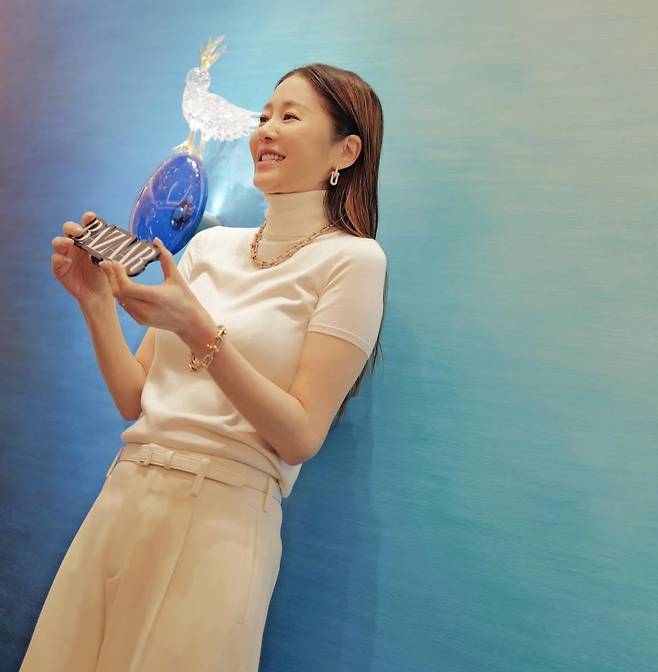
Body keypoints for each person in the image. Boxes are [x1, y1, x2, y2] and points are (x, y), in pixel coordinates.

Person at [21, 63, 388, 671]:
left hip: (224, 521)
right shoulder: (209, 247)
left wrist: (196, 328)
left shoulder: (355, 261)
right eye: (264, 115)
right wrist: (96, 304)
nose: (266, 129)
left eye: (290, 116)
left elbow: (300, 436)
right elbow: (136, 400)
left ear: (345, 151)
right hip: (125, 493)